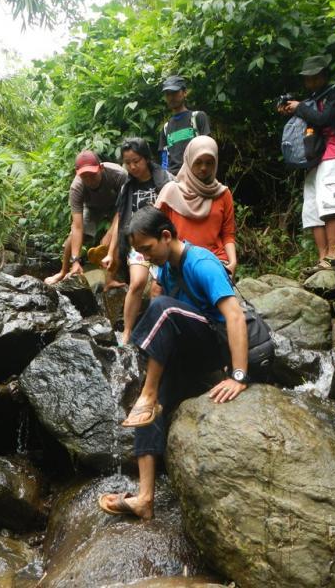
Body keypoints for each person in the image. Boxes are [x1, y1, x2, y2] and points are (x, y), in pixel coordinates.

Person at [98, 207, 270, 521]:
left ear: (166, 236)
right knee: (147, 411)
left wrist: (238, 375)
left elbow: (233, 316)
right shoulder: (166, 269)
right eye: (141, 254)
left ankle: (149, 392)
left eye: (148, 250)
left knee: (162, 308)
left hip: (216, 345)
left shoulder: (202, 263)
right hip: (190, 348)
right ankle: (144, 498)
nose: (147, 259)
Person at [280, 54, 335, 274]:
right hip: (314, 158)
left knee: (331, 203)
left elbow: (324, 119)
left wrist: (299, 106)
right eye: (306, 77)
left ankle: (334, 255)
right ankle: (323, 258)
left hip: (334, 152)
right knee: (312, 207)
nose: (308, 81)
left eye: (312, 77)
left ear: (322, 75)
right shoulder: (312, 98)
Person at [101, 138, 174, 345]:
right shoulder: (127, 187)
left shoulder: (165, 179)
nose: (133, 167)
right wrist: (111, 252)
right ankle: (127, 332)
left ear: (146, 158)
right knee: (137, 283)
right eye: (128, 163)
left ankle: (156, 331)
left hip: (161, 242)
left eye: (137, 161)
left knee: (157, 288)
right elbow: (120, 221)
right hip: (138, 244)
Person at [155, 135, 237, 277]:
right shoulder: (171, 192)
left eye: (209, 163)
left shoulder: (223, 194)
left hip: (215, 260)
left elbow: (228, 234)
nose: (204, 168)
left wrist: (233, 262)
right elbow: (156, 231)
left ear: (216, 163)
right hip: (179, 261)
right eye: (198, 162)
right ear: (188, 160)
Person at [44, 150, 127, 286]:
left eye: (92, 175)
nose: (89, 180)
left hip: (116, 207)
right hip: (92, 208)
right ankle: (63, 271)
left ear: (101, 168)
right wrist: (76, 260)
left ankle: (110, 279)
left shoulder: (118, 175)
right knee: (73, 236)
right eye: (84, 177)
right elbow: (77, 226)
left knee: (116, 237)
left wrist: (110, 232)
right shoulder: (76, 187)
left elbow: (123, 210)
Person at [158, 75, 210, 175]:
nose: (171, 97)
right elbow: (164, 161)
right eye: (168, 94)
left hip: (197, 175)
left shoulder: (198, 117)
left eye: (175, 92)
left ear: (185, 92)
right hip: (174, 180)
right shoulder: (166, 128)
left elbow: (208, 149)